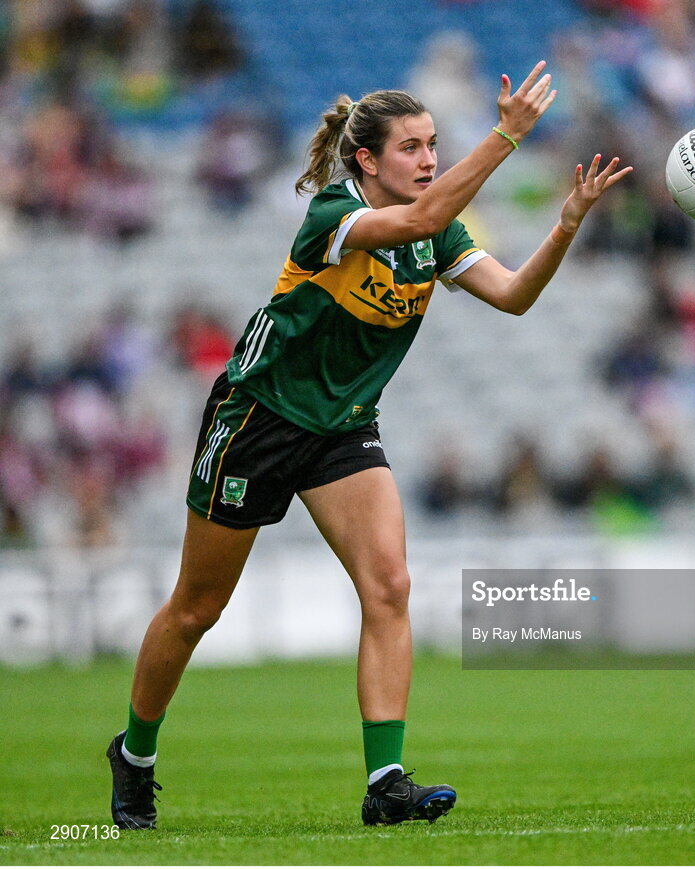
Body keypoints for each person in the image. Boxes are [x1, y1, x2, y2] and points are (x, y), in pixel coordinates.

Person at [104, 61, 631, 830]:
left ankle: (386, 783)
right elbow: (414, 223)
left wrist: (568, 222)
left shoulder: (436, 228)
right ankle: (135, 753)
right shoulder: (333, 213)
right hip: (260, 419)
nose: (428, 160)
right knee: (196, 609)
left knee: (389, 586)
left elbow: (514, 297)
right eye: (413, 148)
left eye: (433, 145)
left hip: (344, 425)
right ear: (367, 160)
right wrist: (508, 136)